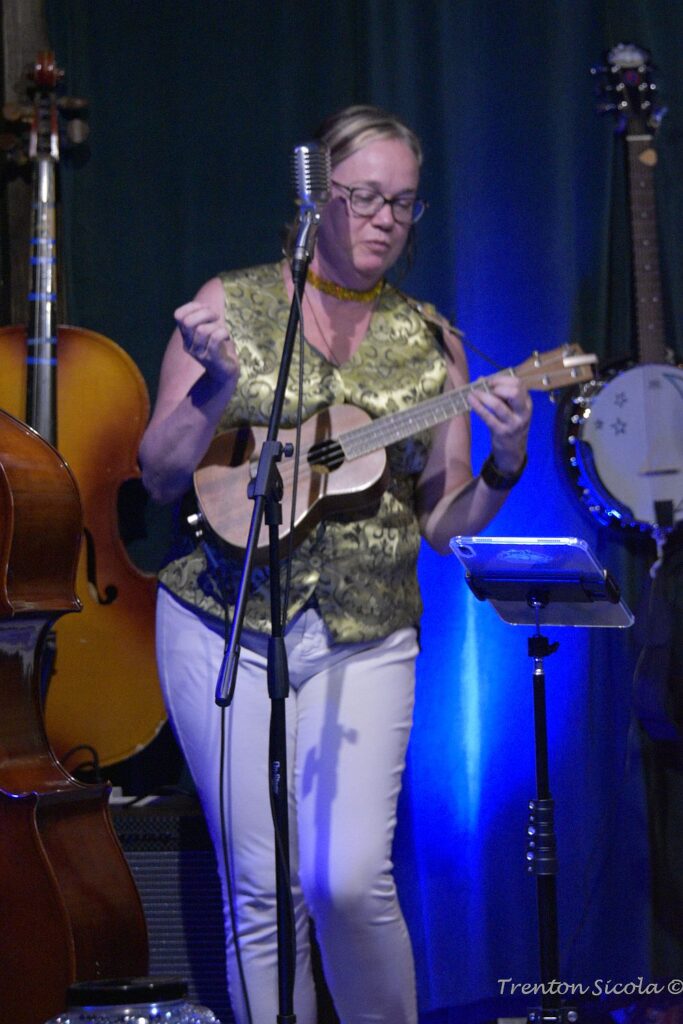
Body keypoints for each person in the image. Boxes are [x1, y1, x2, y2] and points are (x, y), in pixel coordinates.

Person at [139, 104, 532, 1024]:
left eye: (404, 204)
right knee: (261, 890)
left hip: (364, 629)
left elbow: (444, 519)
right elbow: (160, 475)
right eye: (365, 197)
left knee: (348, 882)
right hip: (220, 622)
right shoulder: (230, 306)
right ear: (317, 196)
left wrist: (506, 467)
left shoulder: (433, 343)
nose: (386, 219)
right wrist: (217, 387)